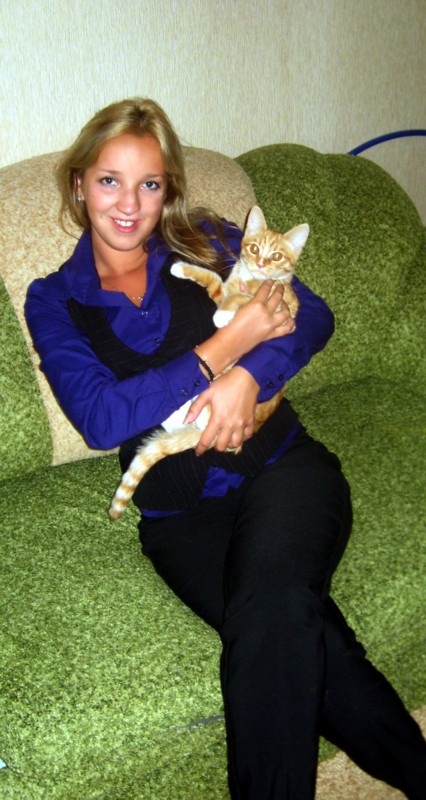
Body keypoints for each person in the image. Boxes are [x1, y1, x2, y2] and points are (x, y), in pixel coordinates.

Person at [25, 97, 426, 800]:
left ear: (168, 190)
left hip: (282, 469)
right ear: (80, 183)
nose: (129, 204)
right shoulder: (53, 299)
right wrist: (227, 348)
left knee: (271, 609)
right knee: (298, 636)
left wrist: (250, 379)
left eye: (150, 183)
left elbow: (313, 314)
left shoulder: (206, 238)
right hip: (181, 520)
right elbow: (101, 418)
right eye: (110, 180)